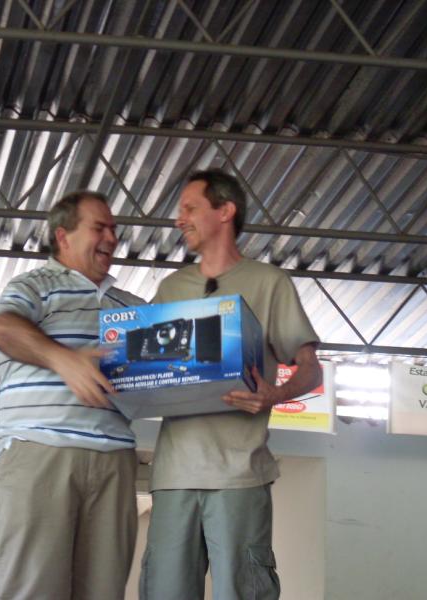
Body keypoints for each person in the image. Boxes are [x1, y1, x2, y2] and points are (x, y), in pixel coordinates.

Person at [140, 169, 322, 600]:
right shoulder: (171, 288)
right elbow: (139, 364)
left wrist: (276, 394)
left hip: (240, 473)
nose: (179, 219)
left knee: (242, 592)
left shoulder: (269, 283)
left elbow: (311, 369)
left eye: (190, 208)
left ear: (225, 211)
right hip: (173, 474)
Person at [0, 191, 143, 600]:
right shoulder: (34, 286)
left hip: (115, 459)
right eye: (99, 227)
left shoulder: (133, 306)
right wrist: (63, 359)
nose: (112, 237)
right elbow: (2, 329)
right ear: (63, 236)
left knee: (104, 591)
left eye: (114, 229)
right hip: (41, 449)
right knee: (32, 588)